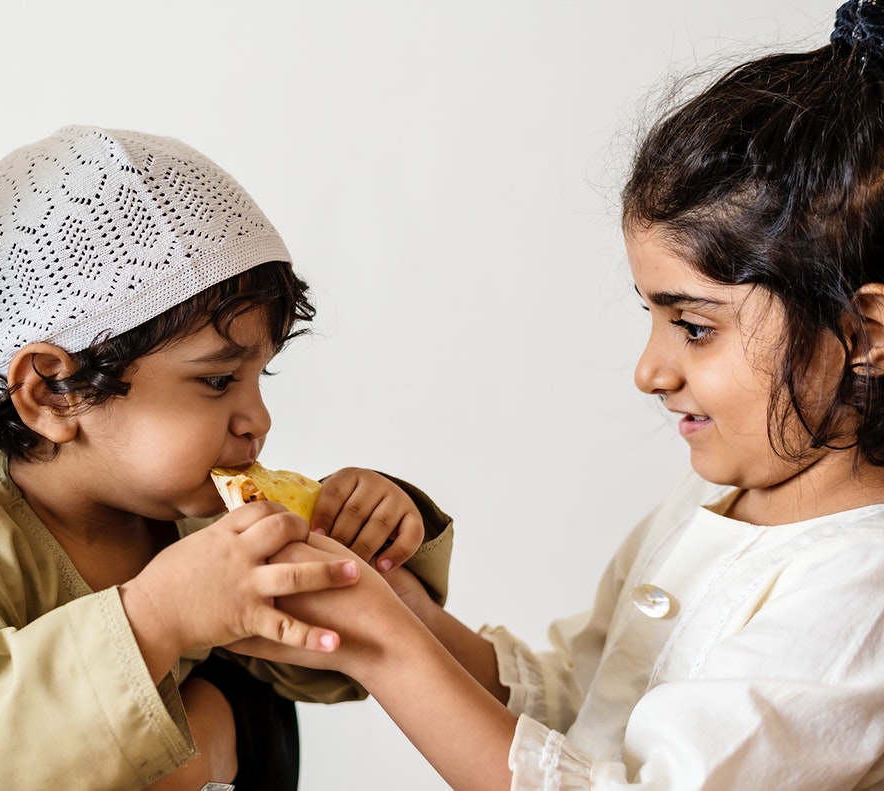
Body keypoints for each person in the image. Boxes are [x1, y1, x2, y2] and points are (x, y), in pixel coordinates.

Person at [236, 2, 884, 789]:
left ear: (864, 332)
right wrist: (402, 607)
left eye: (695, 327)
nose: (650, 370)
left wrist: (382, 645)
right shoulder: (718, 489)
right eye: (651, 315)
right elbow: (580, 705)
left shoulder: (862, 591)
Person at [0, 125, 455, 790]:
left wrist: (370, 533)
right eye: (218, 380)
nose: (259, 421)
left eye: (259, 378)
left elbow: (326, 664)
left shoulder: (202, 519)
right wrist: (154, 618)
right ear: (52, 392)